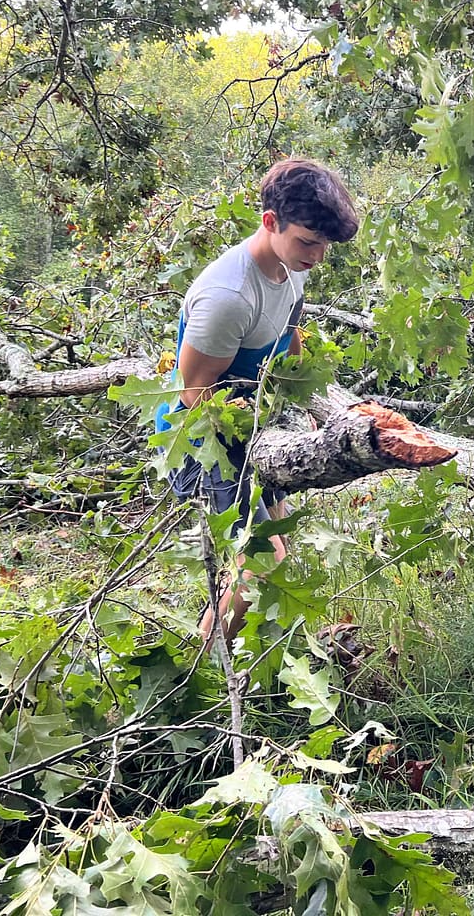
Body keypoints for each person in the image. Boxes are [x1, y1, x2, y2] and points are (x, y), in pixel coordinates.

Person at [155, 157, 359, 639]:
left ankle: (263, 650)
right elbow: (192, 393)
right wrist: (243, 426)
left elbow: (291, 336)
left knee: (275, 538)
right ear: (270, 222)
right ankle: (204, 667)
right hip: (200, 438)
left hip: (256, 427)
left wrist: (304, 404)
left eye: (324, 245)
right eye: (309, 242)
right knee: (264, 559)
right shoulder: (228, 297)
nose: (317, 256)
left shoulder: (294, 267)